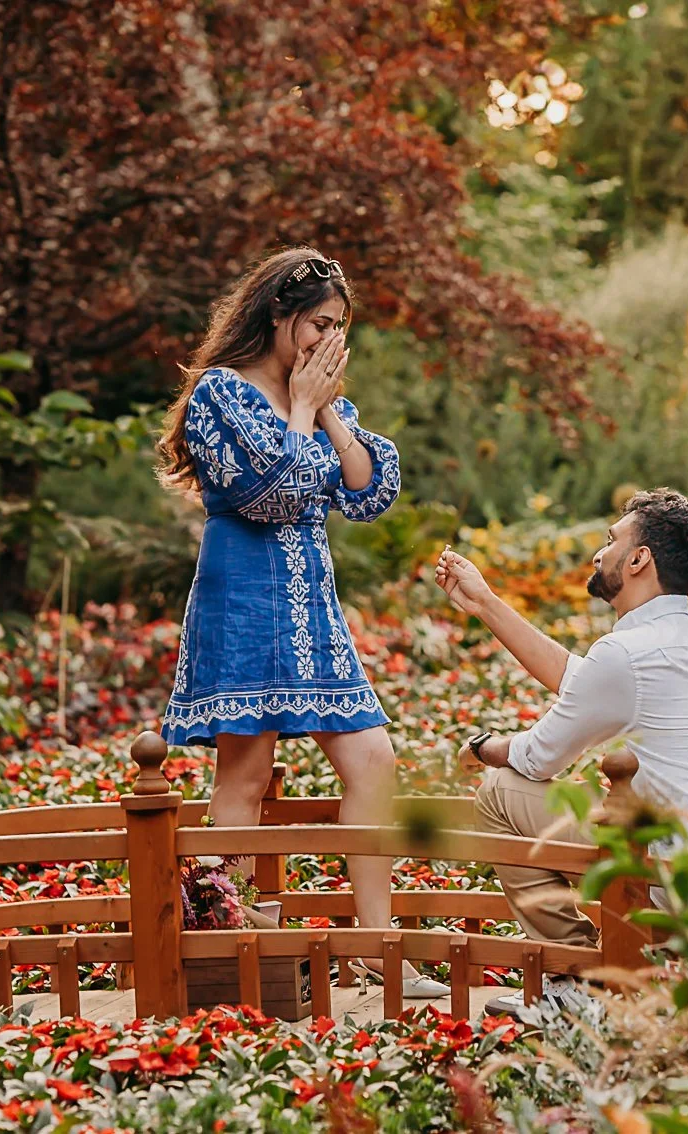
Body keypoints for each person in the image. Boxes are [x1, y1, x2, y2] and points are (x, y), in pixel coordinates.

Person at [157, 247, 448, 998]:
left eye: (338, 328)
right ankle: (226, 950)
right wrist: (297, 410)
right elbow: (269, 495)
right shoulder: (220, 393)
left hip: (311, 603)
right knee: (246, 773)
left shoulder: (319, 399)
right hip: (244, 598)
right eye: (319, 323)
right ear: (277, 316)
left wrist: (321, 410)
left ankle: (376, 949)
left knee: (373, 760)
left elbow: (366, 492)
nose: (329, 341)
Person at [435, 488, 688, 1015]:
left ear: (640, 559)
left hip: (675, 876)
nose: (600, 554)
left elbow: (536, 759)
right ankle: (593, 974)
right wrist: (484, 603)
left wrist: (481, 747)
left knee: (500, 791)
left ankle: (576, 978)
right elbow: (586, 682)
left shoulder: (625, 654)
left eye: (612, 540)